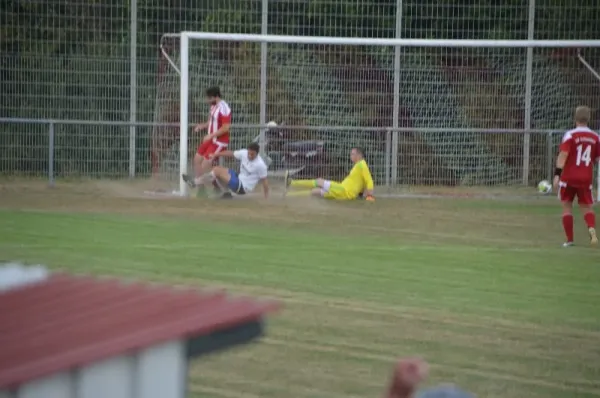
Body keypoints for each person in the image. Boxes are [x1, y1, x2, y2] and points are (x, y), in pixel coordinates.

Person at [553, 105, 600, 247]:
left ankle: (570, 240)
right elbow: (597, 158)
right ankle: (592, 231)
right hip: (585, 178)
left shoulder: (570, 135)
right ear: (589, 119)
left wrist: (557, 175)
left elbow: (563, 155)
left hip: (569, 177)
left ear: (575, 118)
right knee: (586, 207)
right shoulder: (595, 137)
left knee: (567, 206)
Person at [182, 86, 231, 195]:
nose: (207, 101)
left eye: (209, 98)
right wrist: (203, 126)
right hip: (211, 139)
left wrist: (211, 135)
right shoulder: (213, 107)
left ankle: (221, 188)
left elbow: (226, 127)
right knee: (196, 160)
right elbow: (211, 121)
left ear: (216, 97)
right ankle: (201, 189)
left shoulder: (224, 108)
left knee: (206, 166)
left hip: (219, 142)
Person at [284, 147, 375, 201]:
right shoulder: (359, 166)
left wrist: (369, 195)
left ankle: (291, 183)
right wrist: (363, 194)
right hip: (344, 193)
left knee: (319, 181)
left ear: (358, 155)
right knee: (316, 192)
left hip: (343, 190)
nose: (350, 156)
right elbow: (362, 183)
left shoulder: (362, 165)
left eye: (352, 154)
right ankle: (289, 196)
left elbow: (369, 180)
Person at [205, 142, 269, 199]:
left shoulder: (260, 165)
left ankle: (200, 182)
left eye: (252, 154)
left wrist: (266, 196)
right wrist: (216, 154)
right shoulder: (244, 153)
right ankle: (226, 193)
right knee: (216, 168)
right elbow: (231, 153)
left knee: (216, 171)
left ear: (257, 153)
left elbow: (264, 180)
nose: (249, 156)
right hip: (238, 178)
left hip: (243, 187)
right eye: (248, 153)